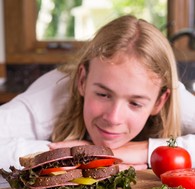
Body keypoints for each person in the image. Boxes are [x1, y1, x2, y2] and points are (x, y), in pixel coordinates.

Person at [0, 15, 195, 171]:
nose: (113, 118)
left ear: (159, 102)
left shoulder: (174, 97)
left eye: (135, 103)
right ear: (82, 80)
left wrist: (146, 151)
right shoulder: (52, 94)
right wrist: (80, 155)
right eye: (103, 94)